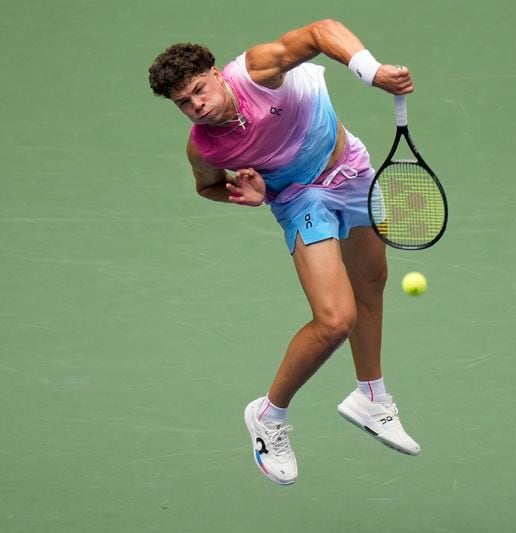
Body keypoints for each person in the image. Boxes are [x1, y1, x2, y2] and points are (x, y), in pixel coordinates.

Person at [148, 19, 421, 486]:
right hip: (300, 198)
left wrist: (371, 71)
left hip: (351, 170)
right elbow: (208, 188)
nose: (197, 106)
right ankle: (268, 414)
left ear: (215, 73)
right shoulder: (204, 147)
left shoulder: (257, 70)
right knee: (336, 319)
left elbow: (321, 31)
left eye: (198, 90)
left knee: (371, 284)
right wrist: (248, 196)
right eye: (183, 104)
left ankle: (371, 397)